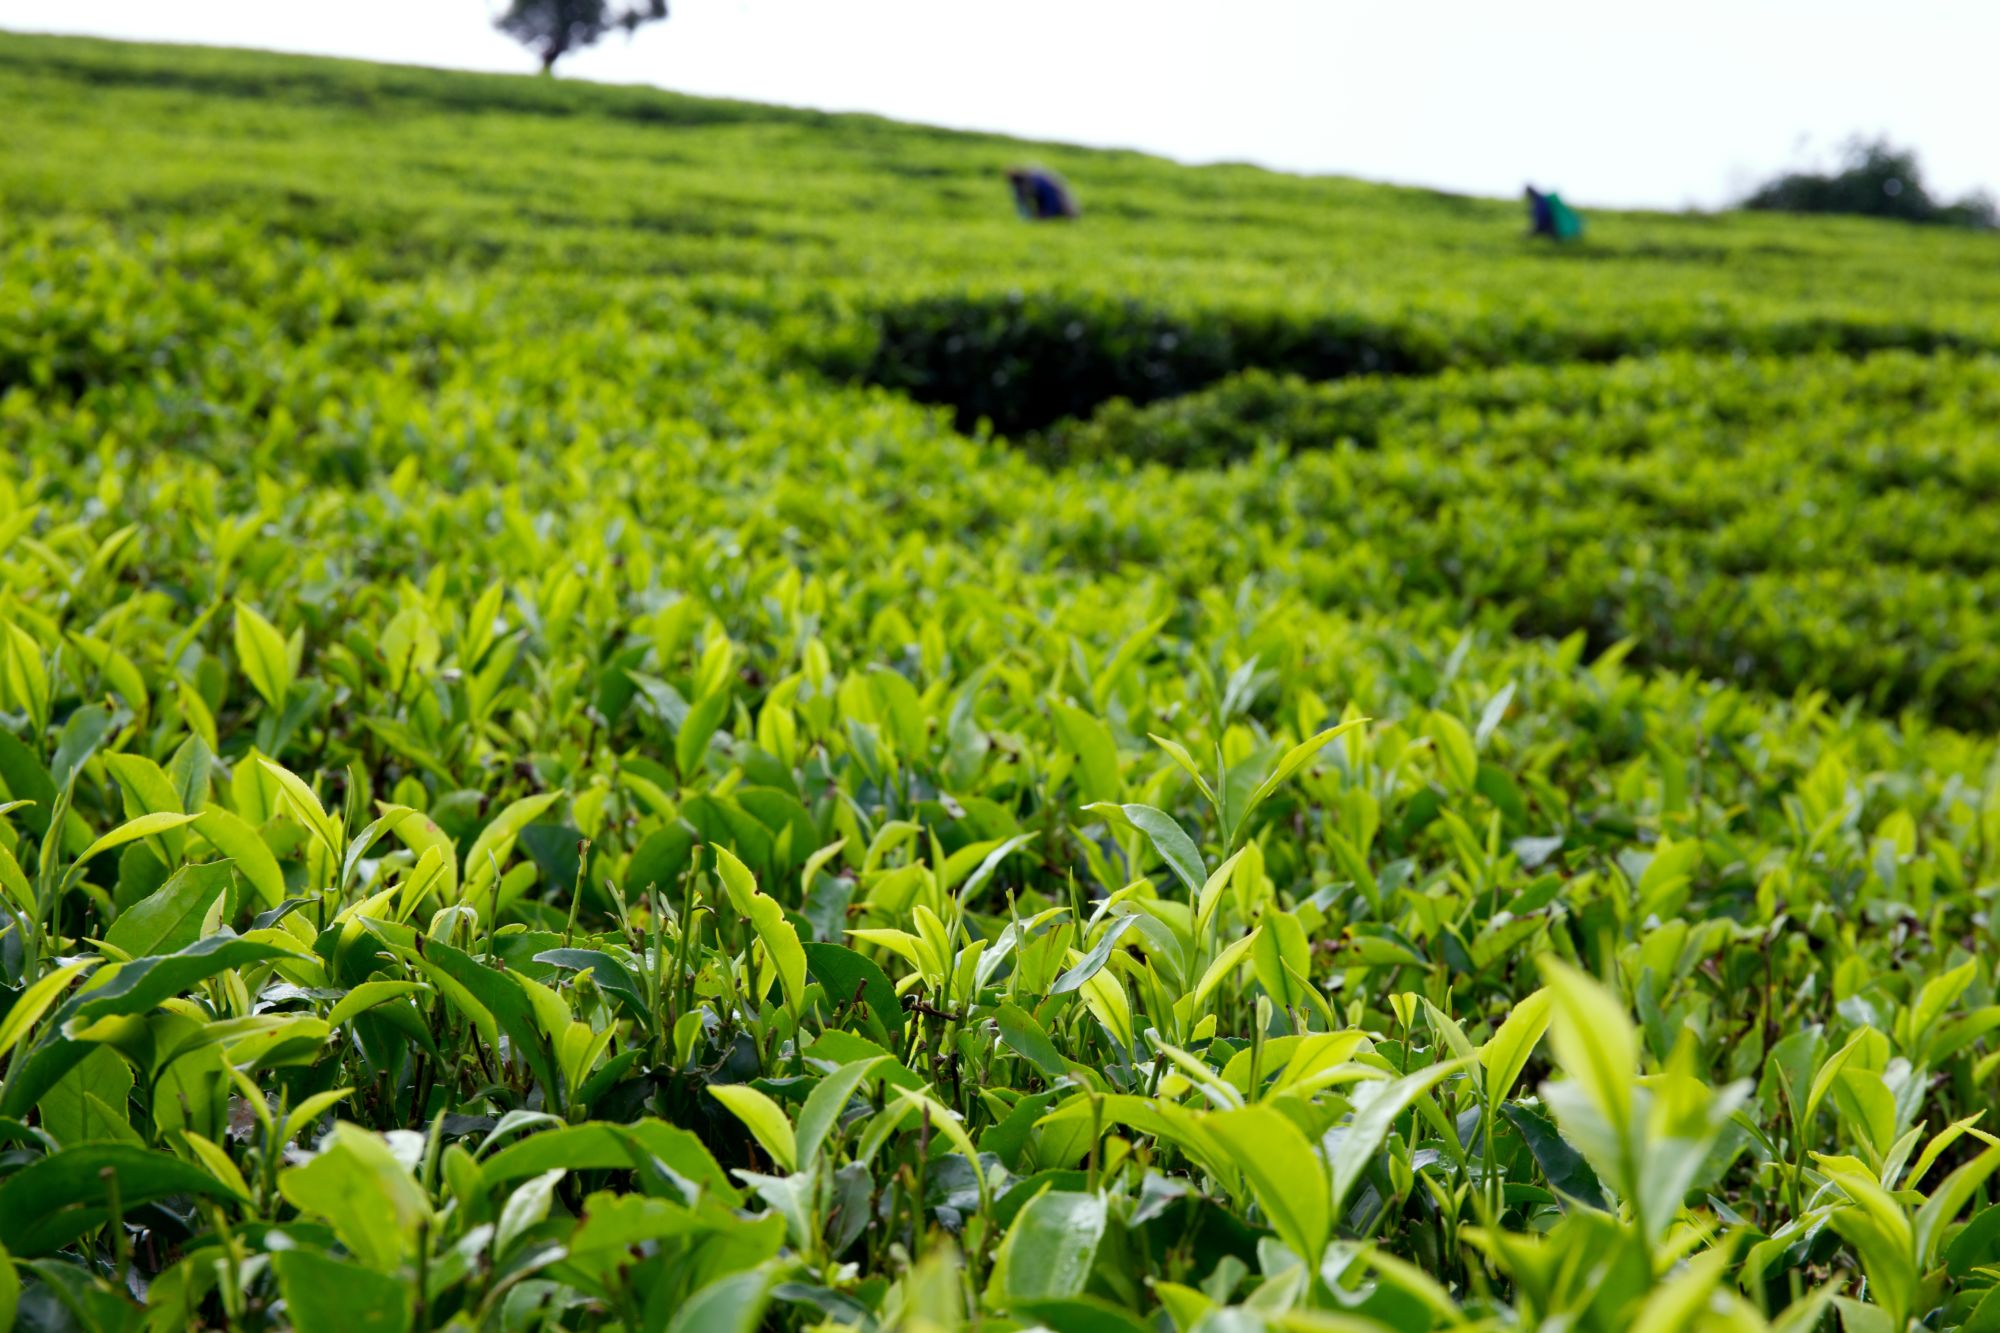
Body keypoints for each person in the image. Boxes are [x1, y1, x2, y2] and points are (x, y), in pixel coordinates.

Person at [1006, 166, 1080, 220]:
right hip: (1047, 201)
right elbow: (1021, 202)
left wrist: (1045, 214)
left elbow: (1051, 199)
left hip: (1062, 205)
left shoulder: (1039, 180)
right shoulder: (1022, 184)